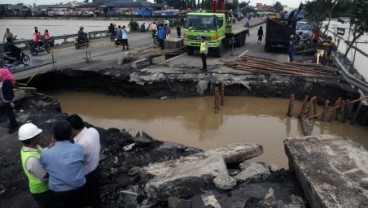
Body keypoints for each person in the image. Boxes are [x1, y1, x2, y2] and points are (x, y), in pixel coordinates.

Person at [40, 120, 87, 208]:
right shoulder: (79, 148)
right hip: (80, 188)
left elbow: (45, 167)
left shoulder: (45, 153)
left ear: (54, 136)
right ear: (70, 134)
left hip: (59, 193)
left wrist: (51, 145)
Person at [66, 114, 102, 208]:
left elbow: (74, 163)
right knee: (94, 193)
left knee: (90, 196)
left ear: (73, 129)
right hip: (96, 168)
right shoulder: (93, 130)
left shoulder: (81, 144)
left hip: (87, 175)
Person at [18, 123, 51, 208]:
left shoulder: (32, 147)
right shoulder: (32, 160)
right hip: (42, 191)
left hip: (43, 189)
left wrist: (51, 146)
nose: (39, 137)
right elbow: (44, 178)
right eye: (37, 135)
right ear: (32, 139)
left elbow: (42, 152)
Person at [0, 68, 19, 134]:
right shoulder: (2, 81)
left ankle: (13, 127)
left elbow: (9, 92)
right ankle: (14, 124)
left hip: (8, 101)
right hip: (5, 100)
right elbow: (1, 91)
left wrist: (11, 101)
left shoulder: (7, 81)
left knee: (10, 114)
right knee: (9, 113)